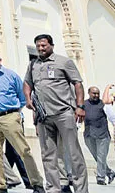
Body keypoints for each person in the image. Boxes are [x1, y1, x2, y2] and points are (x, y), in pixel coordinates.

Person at [24, 34, 89, 193]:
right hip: (43, 117)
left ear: (51, 45)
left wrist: (80, 106)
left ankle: (81, 189)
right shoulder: (33, 64)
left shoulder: (64, 62)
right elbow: (27, 83)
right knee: (48, 156)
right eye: (38, 46)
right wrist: (27, 98)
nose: (40, 48)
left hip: (64, 114)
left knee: (74, 154)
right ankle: (54, 188)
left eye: (44, 45)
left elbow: (78, 84)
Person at [0, 51, 45, 193]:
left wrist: (15, 114)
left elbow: (22, 97)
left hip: (9, 116)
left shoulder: (11, 75)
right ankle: (0, 185)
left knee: (23, 150)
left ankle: (37, 184)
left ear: (0, 60)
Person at [83, 86, 115, 185]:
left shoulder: (104, 105)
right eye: (94, 93)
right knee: (97, 157)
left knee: (101, 157)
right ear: (89, 93)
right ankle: (110, 172)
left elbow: (112, 118)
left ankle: (100, 177)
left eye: (97, 93)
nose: (96, 95)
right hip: (89, 135)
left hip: (103, 136)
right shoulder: (84, 104)